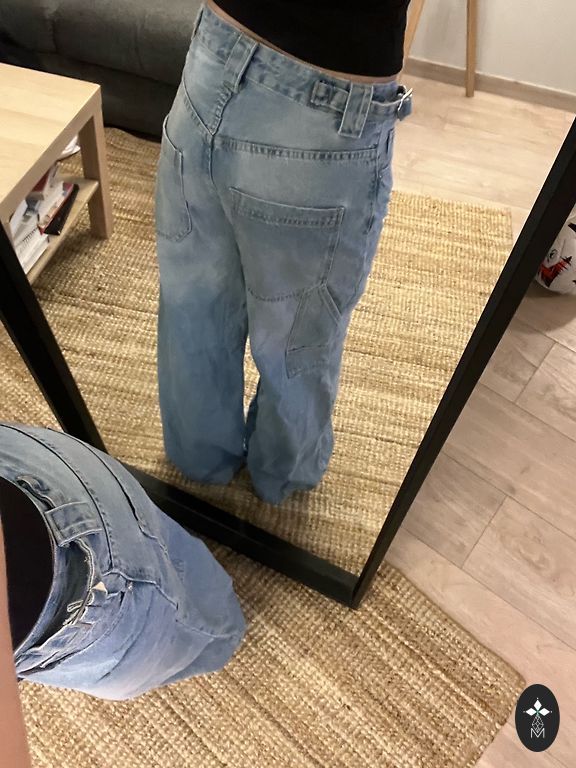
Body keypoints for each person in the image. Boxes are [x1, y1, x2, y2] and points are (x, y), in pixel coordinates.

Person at [155, 0, 412, 507]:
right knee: (297, 338)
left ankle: (198, 459)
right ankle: (280, 478)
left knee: (193, 305)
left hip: (212, 57)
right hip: (324, 104)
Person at [0, 421, 245, 762]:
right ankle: (260, 473)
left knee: (201, 623)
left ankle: (224, 468)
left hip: (73, 573)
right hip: (24, 473)